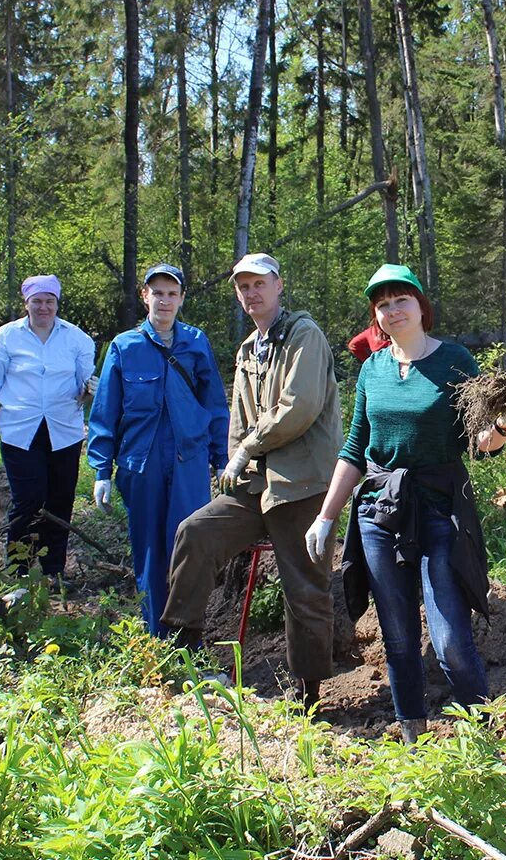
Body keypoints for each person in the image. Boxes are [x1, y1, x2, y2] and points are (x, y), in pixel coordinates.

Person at [304, 264, 506, 743]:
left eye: (401, 300)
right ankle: (413, 739)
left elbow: (478, 440)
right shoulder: (372, 369)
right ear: (376, 314)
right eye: (382, 304)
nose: (392, 310)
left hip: (439, 508)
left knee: (451, 638)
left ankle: (483, 742)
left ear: (420, 305)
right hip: (379, 510)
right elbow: (355, 448)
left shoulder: (454, 361)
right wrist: (326, 516)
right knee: (398, 638)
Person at [160, 253, 342, 705]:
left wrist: (245, 450)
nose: (251, 293)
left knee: (304, 586)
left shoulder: (304, 335)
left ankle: (309, 693)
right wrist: (234, 465)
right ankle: (183, 649)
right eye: (242, 286)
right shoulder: (247, 349)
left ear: (279, 285)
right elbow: (239, 421)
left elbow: (299, 408)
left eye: (259, 283)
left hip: (302, 482)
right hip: (254, 486)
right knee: (195, 532)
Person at [87, 263, 229, 637]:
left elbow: (214, 406)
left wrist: (222, 461)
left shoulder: (196, 343)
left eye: (172, 293)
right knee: (149, 552)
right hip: (141, 464)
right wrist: (101, 471)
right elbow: (105, 412)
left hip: (189, 462)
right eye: (157, 292)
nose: (164, 300)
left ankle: (187, 638)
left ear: (181, 298)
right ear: (144, 296)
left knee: (189, 548)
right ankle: (156, 639)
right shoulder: (123, 346)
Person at [0, 275, 95, 586]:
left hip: (64, 431)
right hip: (20, 432)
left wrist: (90, 390)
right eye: (37, 301)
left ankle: (54, 571)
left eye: (50, 301)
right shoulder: (8, 336)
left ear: (57, 304)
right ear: (26, 304)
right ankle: (18, 570)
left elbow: (86, 382)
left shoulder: (76, 339)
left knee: (61, 499)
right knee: (28, 499)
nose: (43, 307)